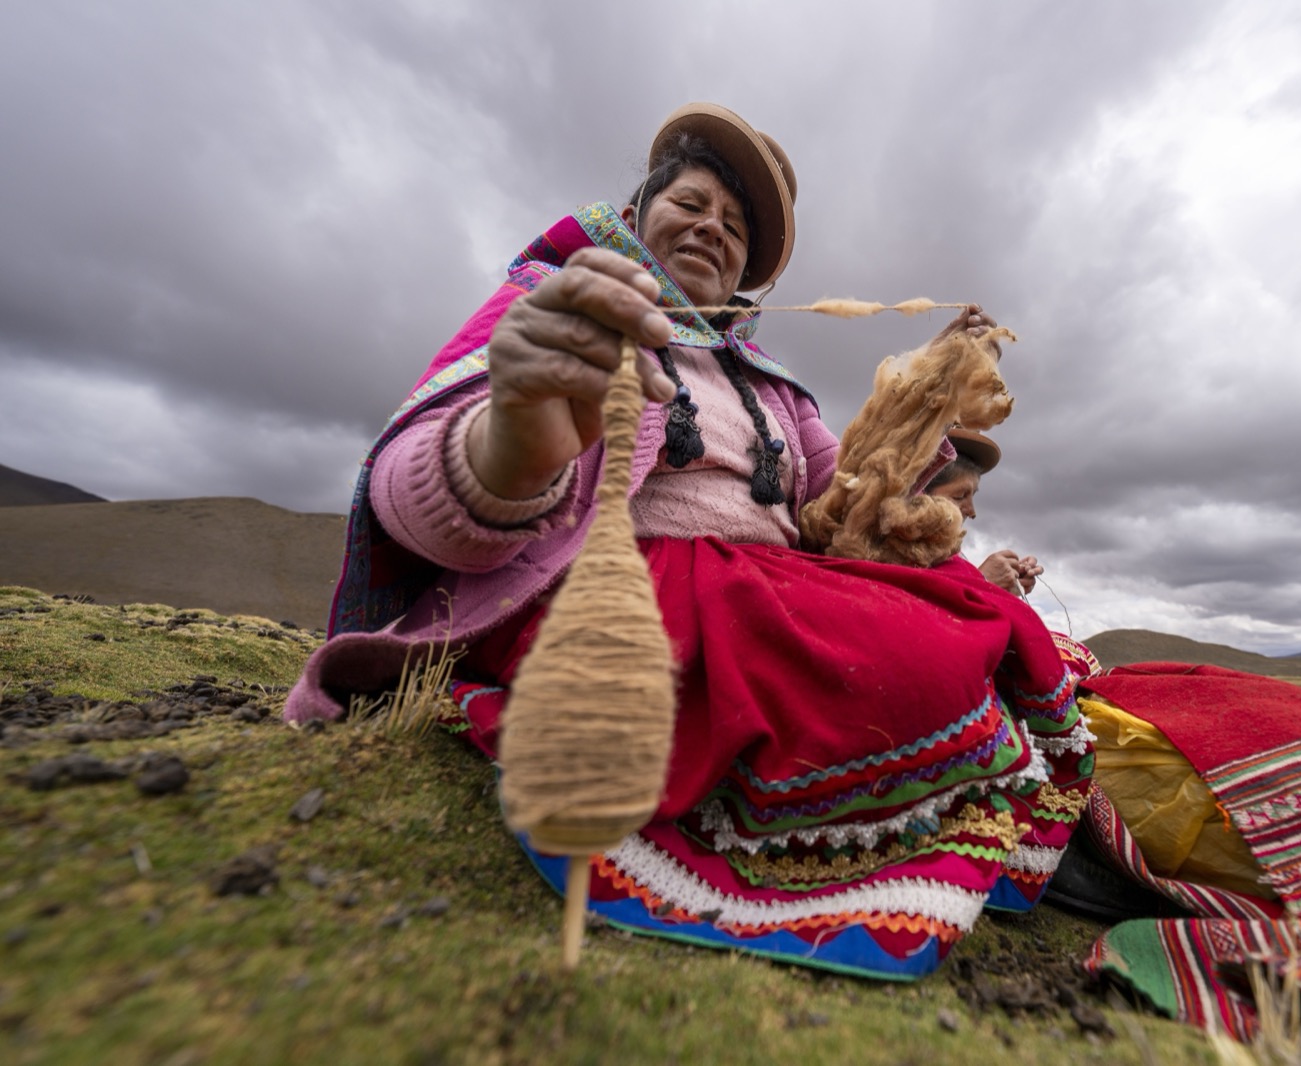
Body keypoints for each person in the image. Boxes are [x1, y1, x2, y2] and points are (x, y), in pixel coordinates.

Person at [285, 103, 1099, 980]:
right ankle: (966, 819)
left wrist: (929, 389)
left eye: (736, 227)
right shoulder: (557, 311)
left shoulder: (774, 390)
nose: (713, 228)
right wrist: (509, 448)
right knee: (914, 659)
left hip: (770, 588)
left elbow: (848, 510)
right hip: (629, 594)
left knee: (980, 612)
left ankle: (1023, 821)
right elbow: (411, 491)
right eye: (693, 203)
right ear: (638, 214)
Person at [924, 427, 1043, 595]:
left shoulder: (949, 559)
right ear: (918, 493)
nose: (972, 512)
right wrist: (981, 581)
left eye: (973, 495)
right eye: (959, 496)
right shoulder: (884, 555)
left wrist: (1006, 586)